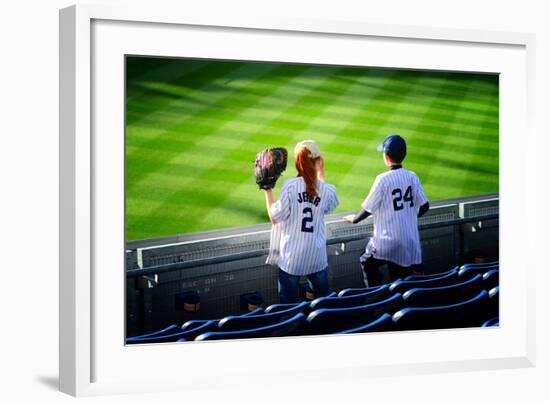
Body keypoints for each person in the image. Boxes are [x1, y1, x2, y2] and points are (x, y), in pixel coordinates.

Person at [344, 134, 430, 287]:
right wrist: (408, 218)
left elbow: (368, 209)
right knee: (400, 278)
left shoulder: (382, 179)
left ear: (387, 156)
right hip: (409, 242)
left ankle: (376, 296)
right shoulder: (412, 177)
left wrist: (354, 219)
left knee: (366, 261)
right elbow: (425, 206)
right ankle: (396, 300)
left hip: (387, 243)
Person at [263, 140, 340, 303]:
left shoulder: (290, 187)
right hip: (317, 258)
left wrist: (267, 189)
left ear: (297, 164)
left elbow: (275, 218)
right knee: (325, 303)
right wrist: (321, 172)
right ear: (318, 161)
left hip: (292, 259)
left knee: (288, 307)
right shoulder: (327, 190)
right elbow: (328, 203)